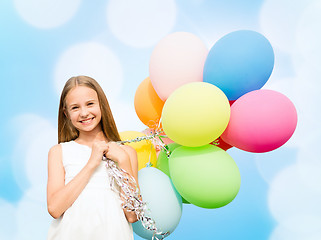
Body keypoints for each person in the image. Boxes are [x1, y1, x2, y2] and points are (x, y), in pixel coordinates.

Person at [47, 76, 138, 240]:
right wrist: (91, 164)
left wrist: (123, 161)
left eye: (90, 104)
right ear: (66, 113)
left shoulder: (126, 153)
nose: (84, 113)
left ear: (101, 104)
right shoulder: (59, 152)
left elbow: (132, 216)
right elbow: (54, 208)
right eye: (75, 107)